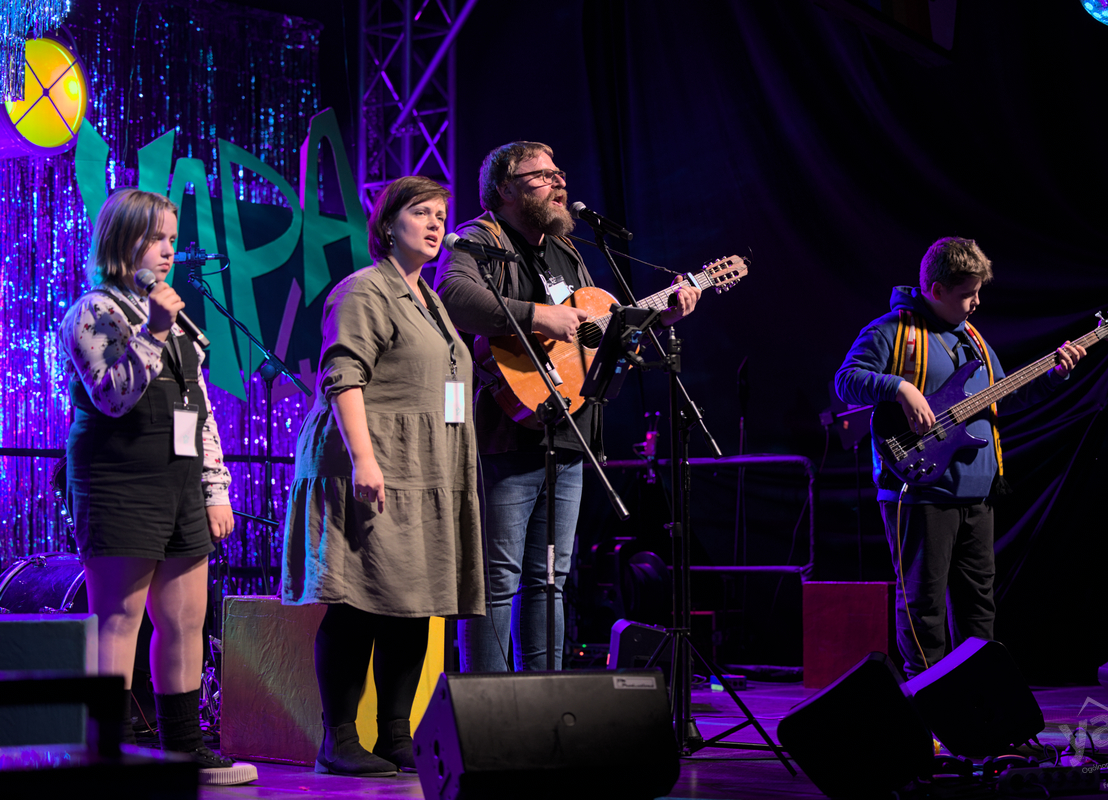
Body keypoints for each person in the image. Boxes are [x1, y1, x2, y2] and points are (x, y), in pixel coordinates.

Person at [434, 141, 700, 672]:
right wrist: (538, 316)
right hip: (504, 434)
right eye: (542, 175)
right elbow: (453, 296)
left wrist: (658, 318)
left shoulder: (567, 251)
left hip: (571, 433)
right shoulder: (478, 240)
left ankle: (543, 700)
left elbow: (593, 337)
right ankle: (487, 706)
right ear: (504, 189)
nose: (559, 182)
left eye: (559, 172)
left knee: (550, 580)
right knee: (497, 577)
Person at [281, 175, 484, 776]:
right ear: (388, 224)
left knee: (414, 601)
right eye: (421, 212)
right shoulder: (364, 290)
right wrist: (365, 460)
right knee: (361, 599)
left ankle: (396, 734)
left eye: (441, 213)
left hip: (427, 467)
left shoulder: (432, 300)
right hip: (371, 459)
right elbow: (343, 376)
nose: (436, 223)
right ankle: (339, 740)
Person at [59, 188, 255, 785]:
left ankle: (184, 751)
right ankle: (108, 753)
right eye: (156, 238)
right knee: (119, 619)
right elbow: (113, 395)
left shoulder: (178, 318)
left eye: (172, 238)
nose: (169, 250)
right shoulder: (93, 310)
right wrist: (154, 331)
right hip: (119, 479)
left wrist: (216, 486)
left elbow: (200, 410)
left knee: (186, 620)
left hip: (179, 481)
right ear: (123, 241)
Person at [834, 236, 1087, 678]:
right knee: (923, 605)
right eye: (968, 294)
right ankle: (929, 702)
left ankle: (979, 698)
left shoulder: (972, 337)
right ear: (936, 290)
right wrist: (900, 387)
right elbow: (846, 380)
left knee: (978, 608)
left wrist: (1053, 374)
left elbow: (1005, 396)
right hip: (919, 492)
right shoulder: (892, 331)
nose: (977, 303)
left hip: (976, 494)